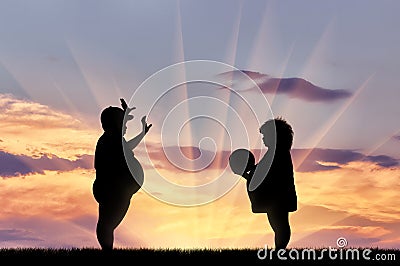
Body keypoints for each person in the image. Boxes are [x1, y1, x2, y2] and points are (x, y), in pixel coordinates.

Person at [92, 98, 152, 251]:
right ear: (114, 125)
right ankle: (107, 250)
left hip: (119, 191)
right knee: (106, 224)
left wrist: (142, 134)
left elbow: (128, 147)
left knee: (107, 224)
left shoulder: (114, 140)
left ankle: (107, 250)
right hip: (112, 191)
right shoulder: (108, 141)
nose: (125, 128)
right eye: (123, 124)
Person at [242, 117, 297, 250]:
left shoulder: (278, 154)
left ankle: (280, 250)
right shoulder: (276, 153)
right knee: (278, 224)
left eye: (265, 135)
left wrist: (248, 173)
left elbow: (265, 175)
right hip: (276, 196)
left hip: (277, 196)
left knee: (280, 225)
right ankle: (280, 249)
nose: (263, 138)